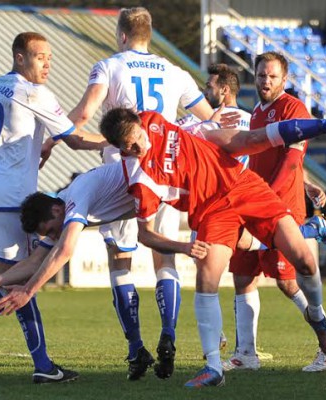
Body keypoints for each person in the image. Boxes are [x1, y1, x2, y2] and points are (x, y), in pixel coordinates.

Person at [0, 109, 326, 388]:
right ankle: (212, 365)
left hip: (230, 183)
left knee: (286, 255)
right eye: (128, 147)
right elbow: (44, 255)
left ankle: (312, 286)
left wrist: (27, 290)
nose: (136, 150)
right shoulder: (131, 174)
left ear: (57, 209)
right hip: (208, 204)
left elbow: (59, 253)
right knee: (226, 264)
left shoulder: (85, 191)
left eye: (51, 226)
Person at [96, 107, 326, 387]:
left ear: (141, 124)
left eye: (138, 136)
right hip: (212, 209)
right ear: (121, 150)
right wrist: (182, 247)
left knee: (305, 262)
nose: (140, 145)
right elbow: (146, 234)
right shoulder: (141, 180)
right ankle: (213, 366)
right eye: (130, 146)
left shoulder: (149, 118)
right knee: (207, 277)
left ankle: (318, 316)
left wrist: (206, 120)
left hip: (241, 183)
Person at [63, 6, 214, 380]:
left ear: (123, 35)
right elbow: (209, 118)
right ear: (149, 33)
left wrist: (57, 139)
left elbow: (83, 113)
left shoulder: (109, 66)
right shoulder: (175, 72)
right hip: (168, 173)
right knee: (166, 260)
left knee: (120, 262)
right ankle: (169, 334)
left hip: (124, 174)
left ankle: (136, 349)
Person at [0, 31, 105, 385]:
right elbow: (76, 140)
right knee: (16, 279)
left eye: (49, 57)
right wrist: (118, 143)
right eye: (39, 57)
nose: (47, 63)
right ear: (20, 58)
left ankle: (42, 363)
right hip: (10, 200)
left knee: (10, 279)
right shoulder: (34, 92)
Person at [223, 51, 326, 374]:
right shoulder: (258, 111)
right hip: (255, 204)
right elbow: (269, 157)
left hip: (280, 208)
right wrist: (306, 184)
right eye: (262, 75)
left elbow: (292, 158)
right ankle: (246, 353)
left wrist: (279, 192)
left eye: (272, 76)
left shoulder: (294, 109)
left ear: (285, 79)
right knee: (242, 274)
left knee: (288, 282)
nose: (266, 81)